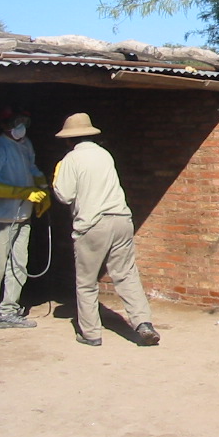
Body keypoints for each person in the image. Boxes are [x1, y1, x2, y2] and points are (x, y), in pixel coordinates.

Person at [52, 112, 160, 347]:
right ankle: (143, 323)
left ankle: (91, 333)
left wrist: (57, 176)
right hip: (121, 219)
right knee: (126, 274)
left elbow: (64, 194)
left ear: (69, 140)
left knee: (86, 282)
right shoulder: (104, 154)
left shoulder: (71, 159)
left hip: (93, 223)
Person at [0, 108, 50, 329]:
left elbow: (32, 168)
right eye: (17, 122)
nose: (21, 126)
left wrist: (43, 191)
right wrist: (22, 192)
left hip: (22, 214)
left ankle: (9, 309)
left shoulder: (25, 144)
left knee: (19, 263)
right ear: (4, 124)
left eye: (25, 121)